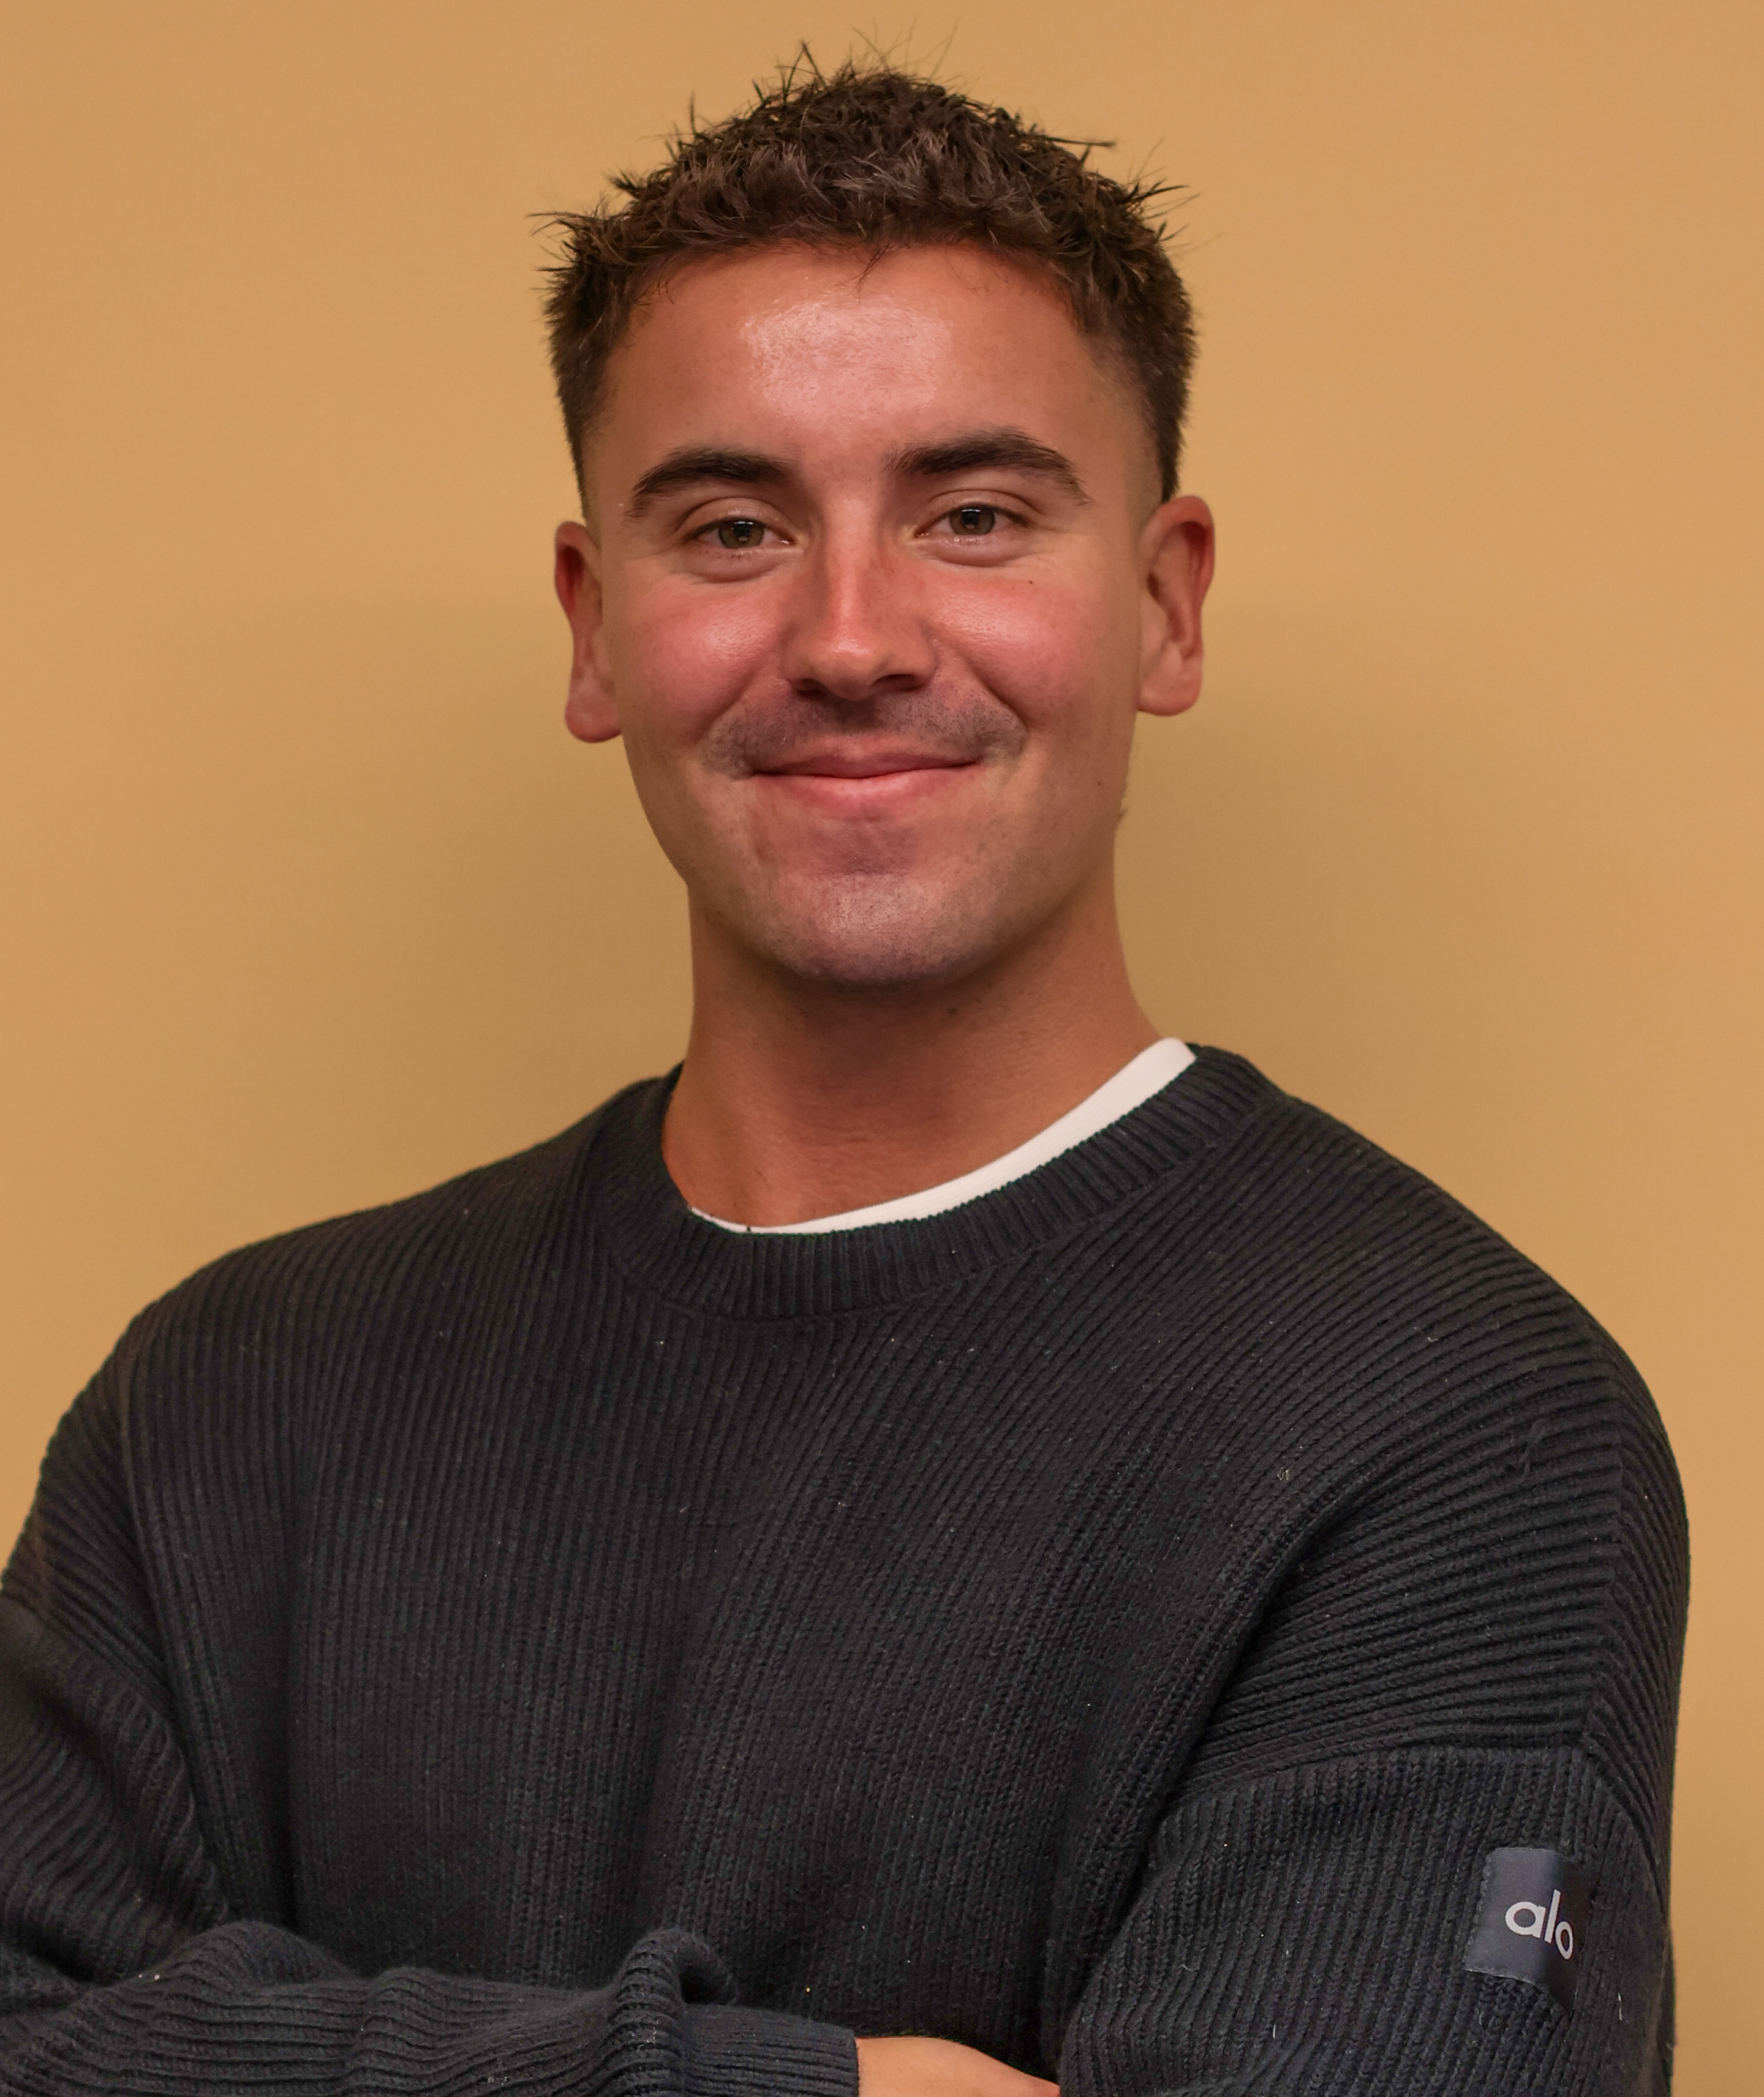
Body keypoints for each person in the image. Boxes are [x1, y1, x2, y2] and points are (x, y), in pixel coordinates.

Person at [0, 59, 1685, 2097]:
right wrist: (835, 2090)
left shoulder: (1462, 1432)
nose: (853, 637)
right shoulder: (223, 1407)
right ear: (594, 627)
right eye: (733, 527)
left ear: (1164, 605)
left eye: (975, 517)